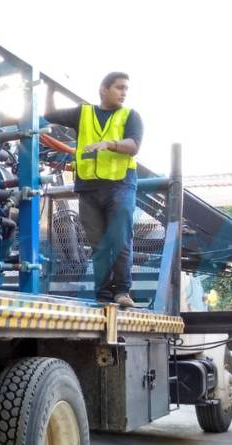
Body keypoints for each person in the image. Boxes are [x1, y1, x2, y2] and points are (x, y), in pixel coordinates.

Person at [44, 72, 143, 308]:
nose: (124, 93)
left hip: (120, 185)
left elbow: (134, 146)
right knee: (98, 243)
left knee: (119, 239)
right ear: (103, 89)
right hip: (89, 187)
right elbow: (49, 115)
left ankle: (122, 291)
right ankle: (103, 294)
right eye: (119, 88)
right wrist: (50, 88)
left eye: (126, 89)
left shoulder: (130, 115)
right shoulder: (83, 113)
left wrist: (108, 144)